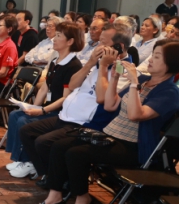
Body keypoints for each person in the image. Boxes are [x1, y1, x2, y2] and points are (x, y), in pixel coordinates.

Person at [30, 39, 179, 204]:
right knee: (59, 146)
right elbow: (110, 105)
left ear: (171, 63)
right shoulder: (143, 80)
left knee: (76, 154)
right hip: (111, 135)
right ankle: (54, 198)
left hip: (133, 146)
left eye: (157, 56)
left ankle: (82, 200)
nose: (151, 59)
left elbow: (135, 115)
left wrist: (133, 84)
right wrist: (115, 76)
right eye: (153, 55)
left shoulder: (169, 92)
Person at [18, 25, 134, 187]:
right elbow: (72, 85)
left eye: (102, 43)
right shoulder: (98, 63)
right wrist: (92, 62)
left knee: (44, 142)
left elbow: (102, 98)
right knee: (27, 131)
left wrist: (102, 66)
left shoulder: (124, 70)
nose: (98, 47)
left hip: (84, 122)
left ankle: (58, 181)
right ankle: (49, 175)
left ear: (118, 47)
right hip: (67, 115)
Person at [6, 21, 84, 179]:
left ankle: (30, 162)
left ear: (70, 41)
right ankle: (19, 158)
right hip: (49, 108)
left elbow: (66, 97)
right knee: (16, 115)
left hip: (60, 113)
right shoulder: (56, 61)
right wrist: (32, 107)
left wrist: (41, 111)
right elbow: (45, 87)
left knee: (24, 122)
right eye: (55, 35)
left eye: (59, 36)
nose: (54, 39)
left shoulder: (73, 66)